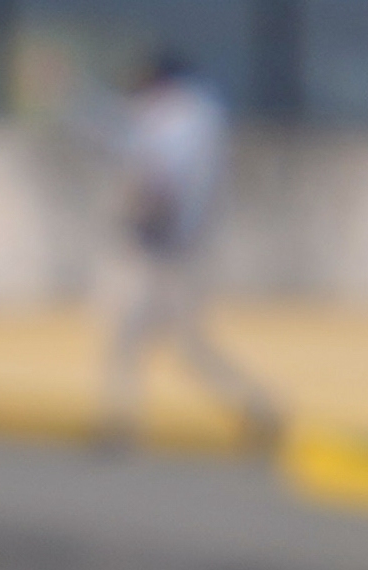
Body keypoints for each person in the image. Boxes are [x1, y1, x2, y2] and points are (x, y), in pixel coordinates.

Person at [75, 47, 281, 457]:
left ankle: (254, 409)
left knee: (151, 339)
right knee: (156, 340)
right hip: (183, 244)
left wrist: (69, 96)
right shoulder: (201, 116)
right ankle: (252, 410)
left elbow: (146, 163)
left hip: (167, 246)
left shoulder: (174, 118)